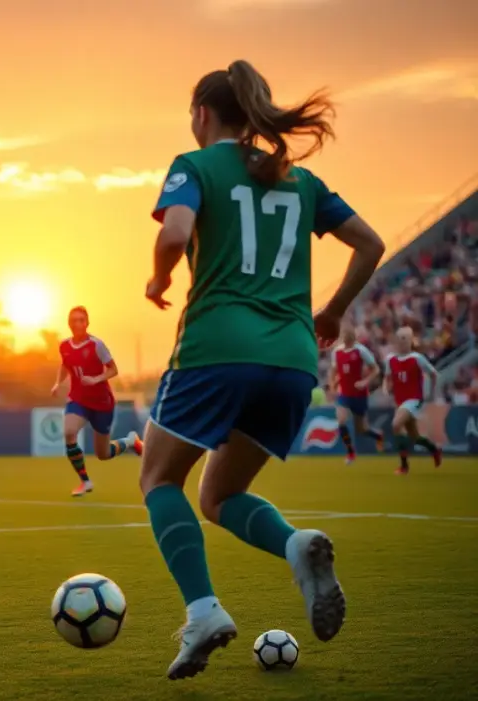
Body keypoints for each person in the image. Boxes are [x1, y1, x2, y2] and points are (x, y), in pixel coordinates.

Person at [140, 60, 386, 680]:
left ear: (201, 114)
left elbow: (174, 233)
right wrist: (330, 312)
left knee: (159, 479)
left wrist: (160, 277)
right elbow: (371, 244)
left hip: (217, 348)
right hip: (292, 359)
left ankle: (202, 611)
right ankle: (295, 545)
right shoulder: (299, 179)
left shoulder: (193, 166)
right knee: (219, 494)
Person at [50, 306, 142, 497]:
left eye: (81, 320)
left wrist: (96, 379)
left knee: (104, 454)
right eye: (74, 320)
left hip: (102, 403)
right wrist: (57, 383)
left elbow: (113, 369)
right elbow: (64, 365)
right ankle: (85, 482)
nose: (78, 324)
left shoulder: (96, 345)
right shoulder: (64, 346)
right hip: (78, 400)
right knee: (69, 432)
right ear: (69, 324)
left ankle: (131, 441)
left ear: (87, 323)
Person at [384, 326, 442, 474]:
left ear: (411, 341)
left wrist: (431, 393)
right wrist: (386, 388)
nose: (402, 342)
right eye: (400, 338)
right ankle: (434, 449)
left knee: (396, 424)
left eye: (405, 339)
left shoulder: (417, 358)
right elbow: (387, 378)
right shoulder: (390, 359)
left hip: (414, 399)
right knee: (415, 437)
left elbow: (434, 374)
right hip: (400, 401)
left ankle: (404, 466)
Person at [329, 325, 384, 463]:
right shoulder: (337, 352)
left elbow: (375, 369)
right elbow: (334, 371)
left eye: (349, 334)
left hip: (359, 394)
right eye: (344, 334)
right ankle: (350, 452)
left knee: (362, 429)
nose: (347, 337)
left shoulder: (361, 350)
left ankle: (378, 436)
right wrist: (332, 385)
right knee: (341, 421)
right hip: (345, 394)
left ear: (353, 336)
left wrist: (366, 381)